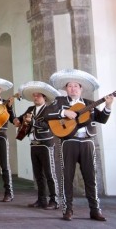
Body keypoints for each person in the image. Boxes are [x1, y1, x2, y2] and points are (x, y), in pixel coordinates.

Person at [47, 69, 112, 221]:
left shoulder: (89, 104)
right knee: (67, 176)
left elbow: (102, 119)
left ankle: (95, 210)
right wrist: (64, 114)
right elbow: (46, 115)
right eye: (70, 86)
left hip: (87, 142)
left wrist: (108, 106)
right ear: (66, 89)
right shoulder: (60, 102)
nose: (73, 88)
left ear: (81, 89)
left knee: (91, 177)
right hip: (69, 142)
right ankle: (67, 210)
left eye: (76, 86)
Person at [13, 81, 60, 210]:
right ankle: (41, 200)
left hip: (46, 143)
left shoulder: (50, 110)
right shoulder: (30, 109)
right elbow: (20, 120)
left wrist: (32, 121)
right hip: (33, 143)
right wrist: (17, 120)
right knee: (38, 174)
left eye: (38, 95)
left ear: (44, 97)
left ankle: (54, 200)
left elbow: (48, 125)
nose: (35, 98)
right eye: (34, 95)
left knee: (50, 174)